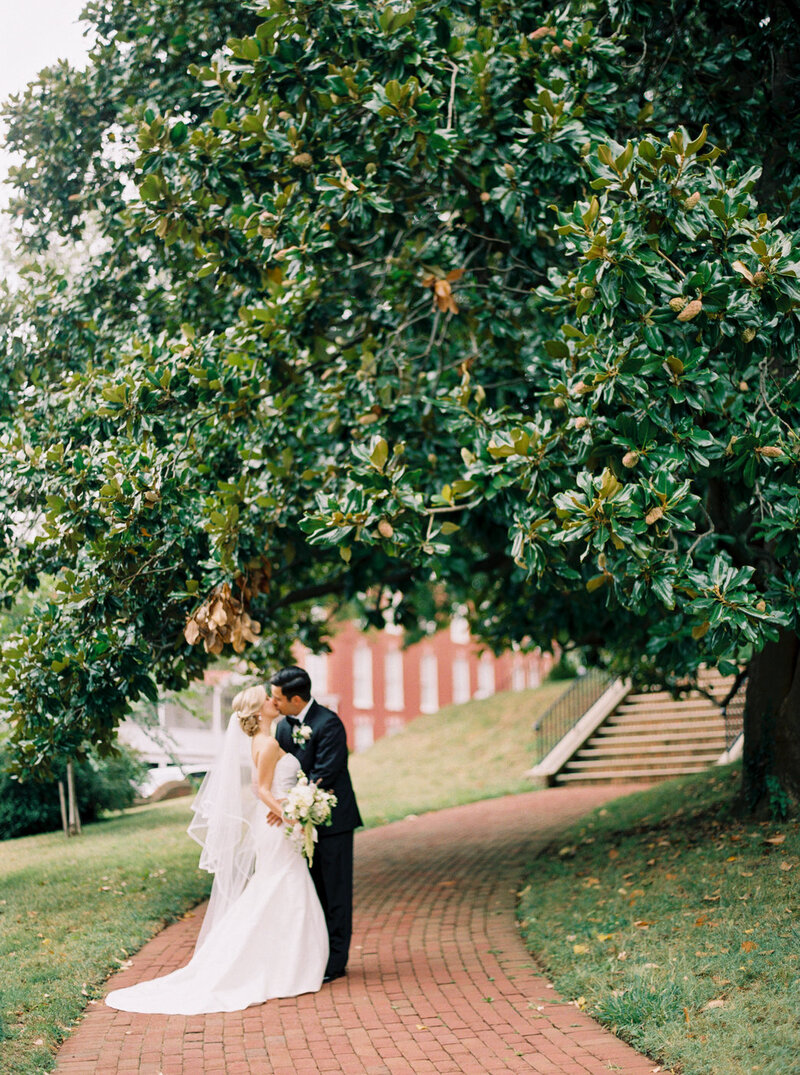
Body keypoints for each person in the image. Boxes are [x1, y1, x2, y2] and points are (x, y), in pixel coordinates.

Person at [105, 686, 328, 1014]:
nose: (273, 700)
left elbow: (258, 787)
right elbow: (261, 789)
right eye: (267, 698)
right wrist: (291, 815)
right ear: (256, 712)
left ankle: (283, 960)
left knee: (277, 887)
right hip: (280, 827)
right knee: (282, 886)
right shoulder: (266, 744)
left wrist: (293, 806)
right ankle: (277, 964)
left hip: (278, 826)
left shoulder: (264, 741)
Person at [270, 665, 362, 983]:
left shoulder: (329, 723)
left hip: (333, 821)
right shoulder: (282, 727)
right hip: (298, 823)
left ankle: (335, 962)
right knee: (309, 892)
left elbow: (326, 772)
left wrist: (299, 803)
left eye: (278, 698)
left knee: (335, 892)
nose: (274, 704)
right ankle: (313, 954)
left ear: (296, 699)